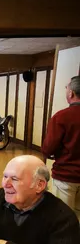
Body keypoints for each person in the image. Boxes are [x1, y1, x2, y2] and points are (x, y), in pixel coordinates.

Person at [42, 76, 80, 219]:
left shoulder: (62, 117)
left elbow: (48, 148)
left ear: (71, 93)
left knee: (63, 217)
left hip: (67, 175)